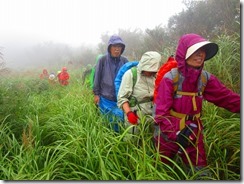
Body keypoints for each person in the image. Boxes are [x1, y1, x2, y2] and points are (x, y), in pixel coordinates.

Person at [153, 33, 240, 175]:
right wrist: (175, 134)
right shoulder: (170, 79)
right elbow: (160, 114)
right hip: (168, 134)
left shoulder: (205, 78)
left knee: (200, 172)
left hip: (194, 132)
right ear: (184, 53)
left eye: (203, 51)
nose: (200, 55)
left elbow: (227, 98)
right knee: (164, 171)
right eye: (196, 51)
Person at [117, 51, 161, 141]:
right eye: (149, 70)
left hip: (152, 114)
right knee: (133, 140)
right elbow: (122, 98)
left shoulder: (156, 76)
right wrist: (129, 113)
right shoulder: (131, 75)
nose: (151, 72)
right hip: (135, 114)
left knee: (150, 141)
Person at [93, 35, 129, 132]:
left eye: (119, 47)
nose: (117, 49)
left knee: (121, 119)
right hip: (105, 97)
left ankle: (118, 139)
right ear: (109, 48)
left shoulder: (125, 61)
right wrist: (96, 94)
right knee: (107, 120)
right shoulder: (103, 60)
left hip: (120, 97)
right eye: (114, 46)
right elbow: (97, 77)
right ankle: (108, 137)